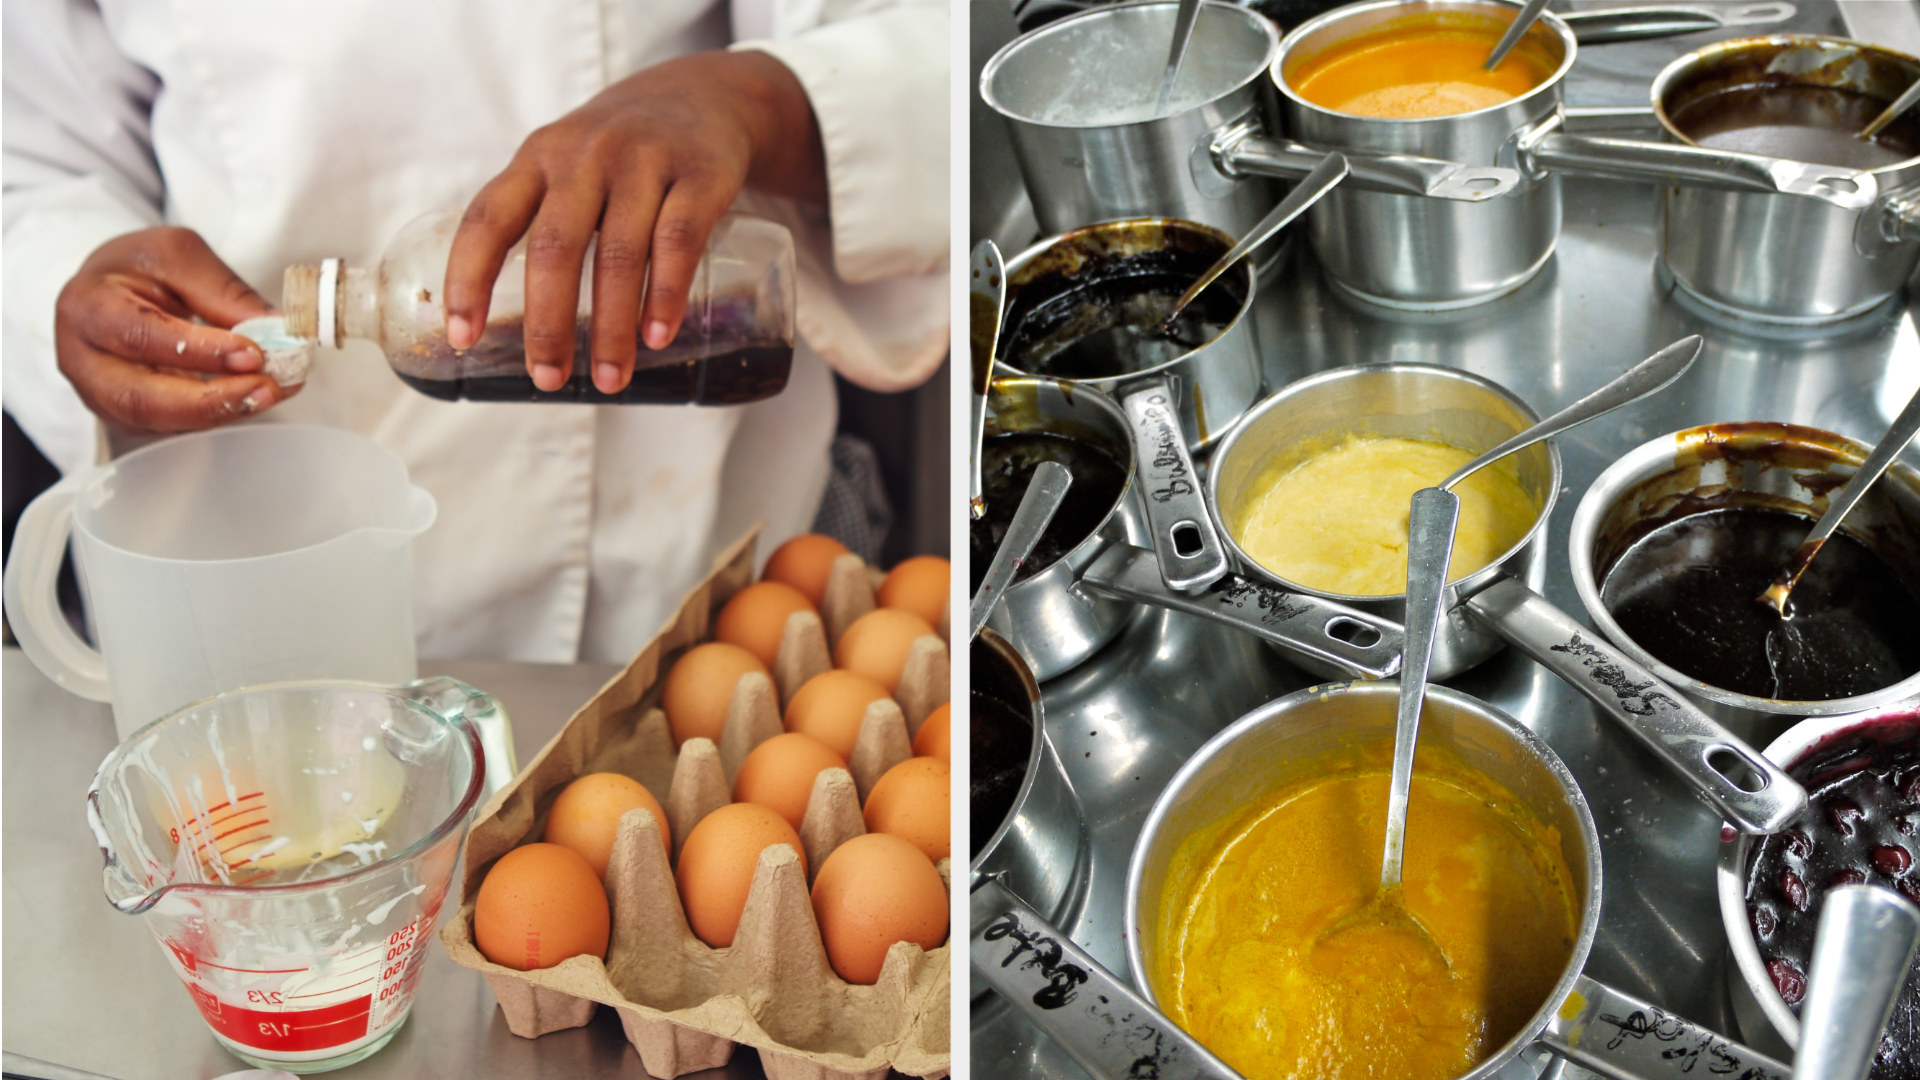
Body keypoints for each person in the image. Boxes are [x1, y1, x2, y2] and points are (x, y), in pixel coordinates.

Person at [4, 0, 949, 663]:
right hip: (259, 572)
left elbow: (928, 40)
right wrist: (71, 276)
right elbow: (31, 143)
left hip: (696, 554)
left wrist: (760, 99)